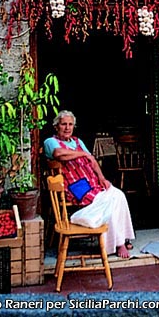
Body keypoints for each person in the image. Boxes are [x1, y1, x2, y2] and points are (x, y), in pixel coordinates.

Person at [43, 109, 135, 258]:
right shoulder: (50, 141)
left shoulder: (77, 141)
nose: (67, 128)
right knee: (108, 200)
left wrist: (102, 178)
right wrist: (83, 154)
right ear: (56, 126)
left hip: (91, 182)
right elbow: (59, 154)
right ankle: (118, 244)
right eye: (63, 124)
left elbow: (92, 160)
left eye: (70, 124)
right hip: (74, 186)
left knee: (118, 195)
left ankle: (122, 237)